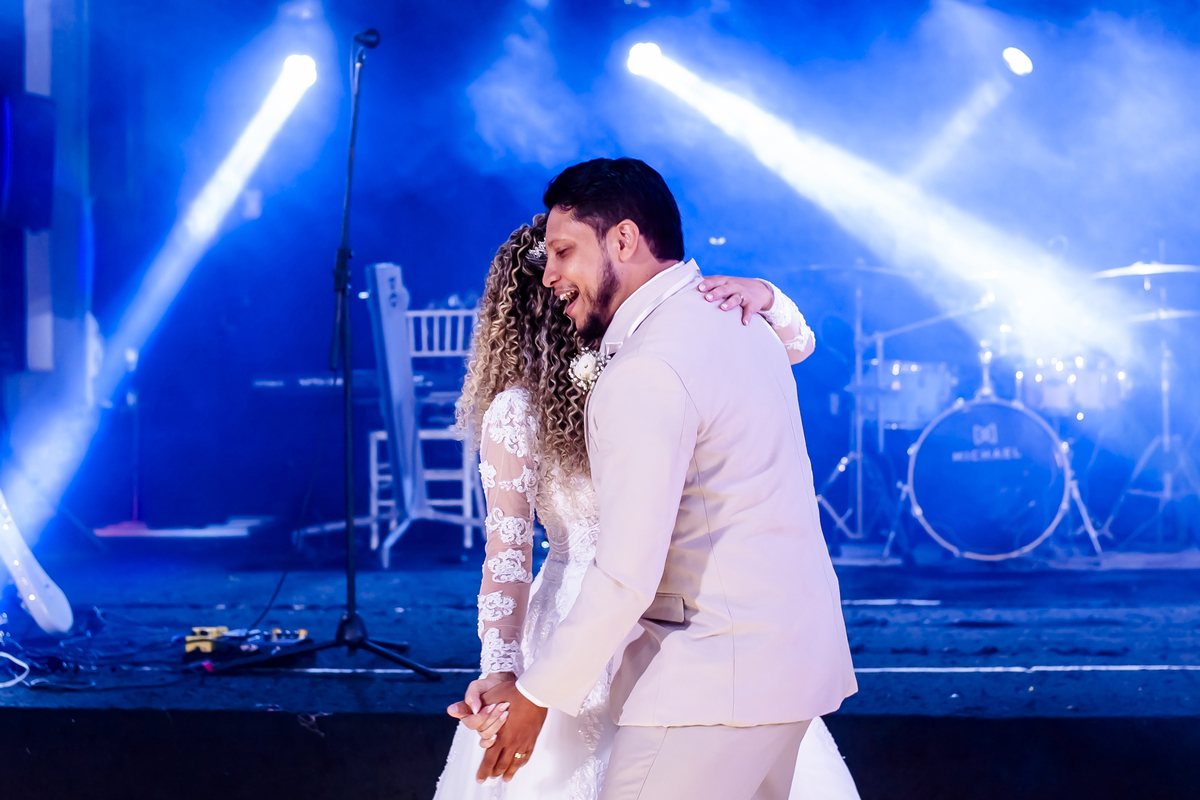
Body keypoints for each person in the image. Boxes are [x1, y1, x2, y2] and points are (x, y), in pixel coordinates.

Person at [436, 158, 857, 800]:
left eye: (563, 252)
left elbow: (626, 572)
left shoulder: (646, 367)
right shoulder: (746, 325)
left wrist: (534, 696)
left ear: (624, 240)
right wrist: (770, 294)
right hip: (793, 668)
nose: (548, 276)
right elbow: (797, 341)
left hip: (710, 679)